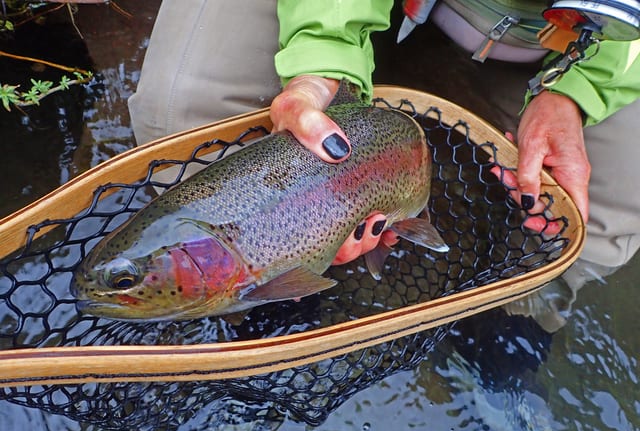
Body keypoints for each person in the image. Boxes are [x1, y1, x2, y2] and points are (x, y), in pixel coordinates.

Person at [128, 1, 640, 326]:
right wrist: (322, 63)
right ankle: (278, 307)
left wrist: (575, 93)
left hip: (562, 39)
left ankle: (510, 323)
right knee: (183, 115)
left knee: (601, 214)